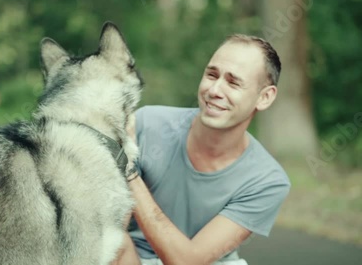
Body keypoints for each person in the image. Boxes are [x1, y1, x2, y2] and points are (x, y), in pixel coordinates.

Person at [114, 34, 291, 265]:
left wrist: (128, 170)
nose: (215, 90)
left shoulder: (267, 181)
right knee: (113, 244)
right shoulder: (146, 124)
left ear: (264, 97)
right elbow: (111, 230)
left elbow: (187, 261)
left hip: (206, 262)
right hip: (134, 258)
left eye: (233, 82)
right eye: (212, 75)